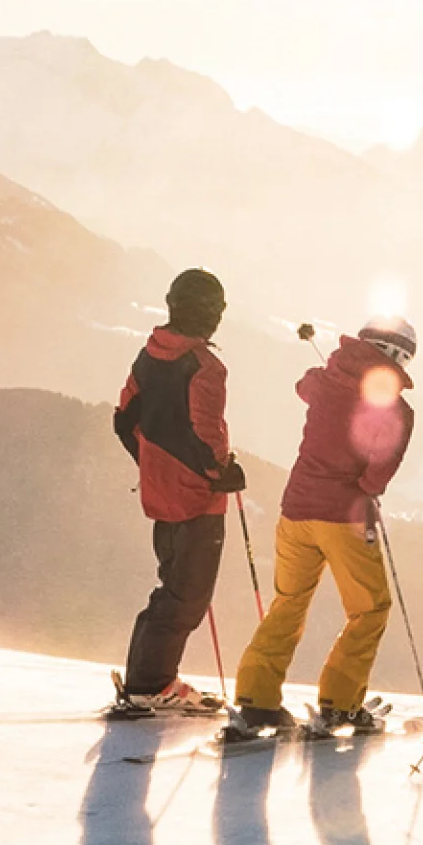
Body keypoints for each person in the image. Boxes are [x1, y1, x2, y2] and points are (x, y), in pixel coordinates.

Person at [225, 317, 418, 741]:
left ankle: (256, 699)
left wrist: (334, 374)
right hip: (344, 518)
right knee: (369, 609)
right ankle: (340, 703)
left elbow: (304, 385)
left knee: (289, 603)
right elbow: (376, 477)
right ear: (400, 357)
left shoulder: (324, 382)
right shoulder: (396, 409)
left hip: (295, 511)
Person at [111, 268, 245, 713]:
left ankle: (147, 680)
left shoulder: (149, 356)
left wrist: (152, 462)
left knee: (171, 588)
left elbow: (124, 418)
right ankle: (151, 684)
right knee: (187, 595)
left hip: (159, 492)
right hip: (197, 500)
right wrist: (221, 472)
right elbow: (207, 433)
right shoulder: (206, 367)